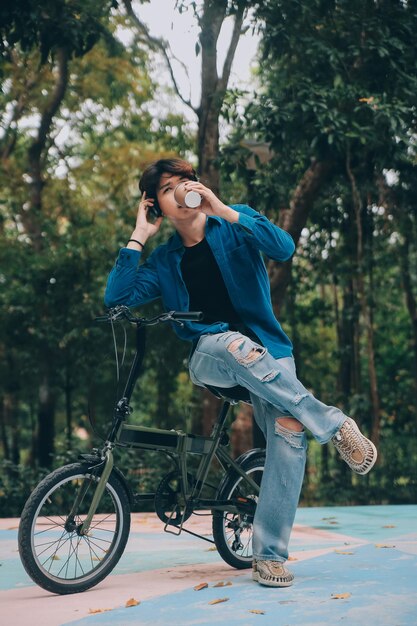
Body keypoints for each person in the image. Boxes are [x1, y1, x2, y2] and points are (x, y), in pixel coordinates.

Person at [104, 158, 377, 588]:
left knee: (288, 430)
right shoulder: (164, 260)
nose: (180, 191)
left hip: (270, 356)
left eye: (186, 182)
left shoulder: (236, 221)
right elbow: (116, 298)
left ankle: (269, 557)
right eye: (167, 188)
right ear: (155, 203)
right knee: (232, 342)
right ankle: (333, 422)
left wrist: (225, 209)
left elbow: (284, 248)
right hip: (211, 355)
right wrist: (140, 233)